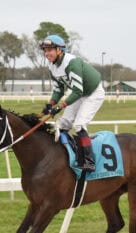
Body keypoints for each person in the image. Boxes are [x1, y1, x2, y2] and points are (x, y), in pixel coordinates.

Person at [40, 34, 105, 172]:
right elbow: (58, 91)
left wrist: (59, 107)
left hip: (93, 93)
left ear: (59, 50)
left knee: (79, 125)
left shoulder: (71, 63)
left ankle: (89, 160)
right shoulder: (52, 67)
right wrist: (50, 104)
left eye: (50, 50)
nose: (47, 53)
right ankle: (66, 156)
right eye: (45, 50)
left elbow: (77, 91)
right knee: (63, 124)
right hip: (78, 94)